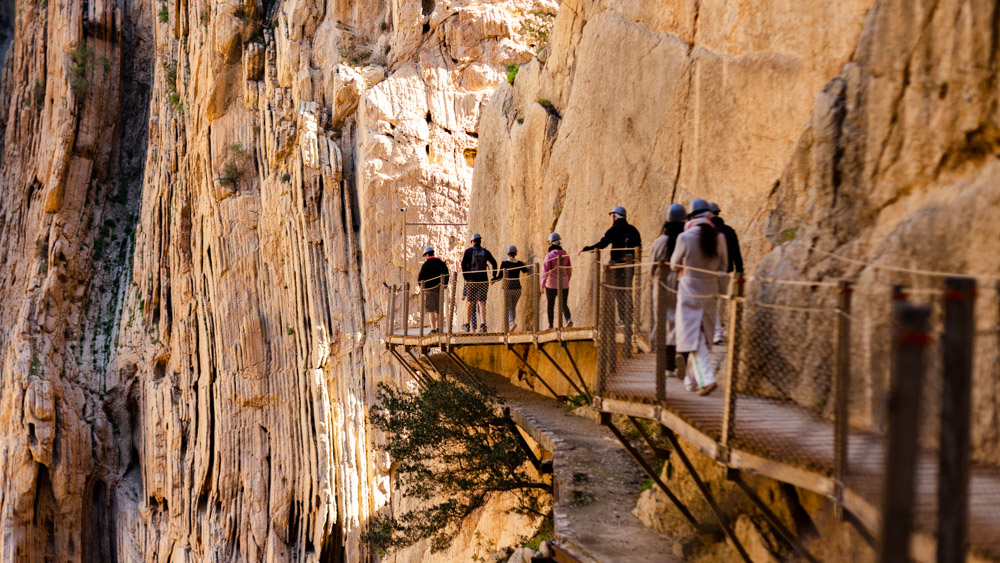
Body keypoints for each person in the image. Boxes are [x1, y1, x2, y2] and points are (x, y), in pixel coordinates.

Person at [670, 199, 728, 396]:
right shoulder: (718, 237)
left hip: (689, 290)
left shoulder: (685, 237)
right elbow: (724, 266)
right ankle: (691, 380)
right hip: (710, 289)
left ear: (691, 217)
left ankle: (707, 378)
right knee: (702, 335)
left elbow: (674, 264)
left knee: (692, 337)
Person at [579, 206, 642, 344]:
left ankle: (624, 319)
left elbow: (602, 244)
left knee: (618, 290)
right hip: (630, 264)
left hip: (617, 264)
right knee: (627, 289)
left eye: (611, 216)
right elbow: (639, 245)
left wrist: (586, 249)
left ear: (615, 216)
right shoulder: (633, 230)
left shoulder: (614, 230)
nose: (610, 219)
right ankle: (630, 315)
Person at [650, 204, 686, 373]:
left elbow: (651, 266)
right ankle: (681, 355)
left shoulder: (660, 242)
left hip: (662, 285)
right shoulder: (685, 239)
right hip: (681, 284)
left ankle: (666, 363)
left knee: (663, 321)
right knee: (679, 321)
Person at [709, 202, 744, 344]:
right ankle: (717, 331)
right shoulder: (729, 230)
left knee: (712, 302)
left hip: (709, 272)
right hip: (726, 272)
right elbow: (736, 252)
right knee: (721, 302)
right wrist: (739, 270)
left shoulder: (708, 232)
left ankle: (716, 333)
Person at [461, 233, 497, 332]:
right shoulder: (485, 251)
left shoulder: (468, 251)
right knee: (482, 302)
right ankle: (483, 325)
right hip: (483, 280)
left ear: (472, 241)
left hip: (472, 281)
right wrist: (493, 276)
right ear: (480, 241)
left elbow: (463, 265)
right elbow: (494, 262)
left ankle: (467, 324)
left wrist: (466, 278)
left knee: (470, 302)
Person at [492, 245, 528, 331]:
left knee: (508, 306)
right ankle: (512, 324)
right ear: (516, 253)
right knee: (513, 307)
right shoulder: (519, 263)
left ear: (508, 254)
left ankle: (512, 322)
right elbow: (525, 270)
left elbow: (500, 276)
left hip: (507, 288)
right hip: (517, 289)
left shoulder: (505, 264)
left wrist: (493, 280)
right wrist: (524, 264)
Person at [542, 233, 572, 329]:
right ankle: (568, 319)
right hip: (564, 283)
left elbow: (545, 271)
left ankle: (550, 325)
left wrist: (542, 284)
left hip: (551, 284)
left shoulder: (549, 256)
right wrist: (567, 280)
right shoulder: (566, 255)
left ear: (550, 243)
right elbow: (569, 270)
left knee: (551, 305)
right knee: (563, 303)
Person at [417, 246, 449, 333]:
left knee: (431, 310)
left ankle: (433, 329)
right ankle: (439, 328)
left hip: (429, 290)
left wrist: (421, 286)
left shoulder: (426, 265)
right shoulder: (441, 263)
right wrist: (445, 284)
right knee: (439, 309)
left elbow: (420, 278)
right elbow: (447, 274)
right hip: (440, 289)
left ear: (427, 254)